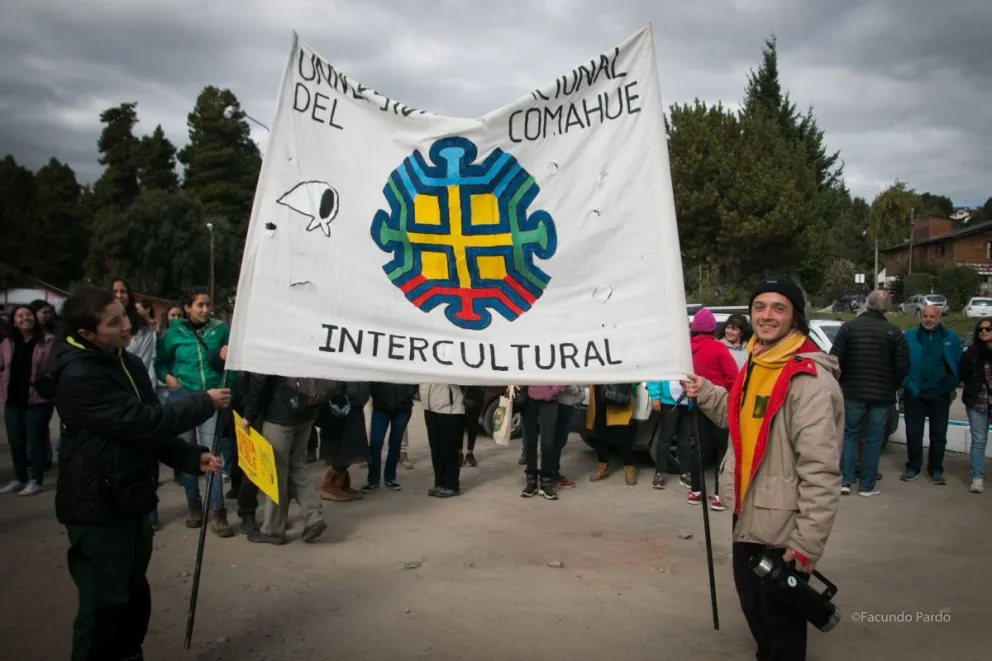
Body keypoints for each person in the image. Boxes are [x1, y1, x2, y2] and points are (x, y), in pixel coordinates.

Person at [51, 285, 230, 661]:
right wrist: (203, 402)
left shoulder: (125, 362)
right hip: (96, 503)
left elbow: (152, 432)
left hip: (129, 495)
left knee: (132, 597)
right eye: (113, 322)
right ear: (86, 333)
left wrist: (190, 457)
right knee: (103, 607)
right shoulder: (79, 375)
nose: (126, 327)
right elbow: (140, 421)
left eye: (124, 315)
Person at [684, 276, 843, 661]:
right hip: (748, 509)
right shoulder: (756, 361)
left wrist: (807, 542)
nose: (766, 316)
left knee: (781, 623)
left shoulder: (808, 379)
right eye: (759, 307)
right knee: (753, 603)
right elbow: (736, 418)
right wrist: (704, 391)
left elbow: (821, 471)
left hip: (784, 522)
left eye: (778, 308)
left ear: (796, 317)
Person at [154, 286, 233, 536]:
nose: (205, 309)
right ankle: (193, 505)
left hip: (212, 398)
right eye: (200, 305)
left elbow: (231, 362)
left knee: (212, 454)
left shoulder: (220, 329)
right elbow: (161, 362)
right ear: (187, 308)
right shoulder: (172, 334)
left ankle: (218, 511)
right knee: (187, 454)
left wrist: (227, 357)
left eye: (208, 304)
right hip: (184, 397)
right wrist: (167, 376)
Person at [829, 289, 909, 497]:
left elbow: (835, 359)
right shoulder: (894, 331)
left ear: (867, 304)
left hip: (853, 391)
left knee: (849, 435)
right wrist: (892, 386)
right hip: (882, 395)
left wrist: (842, 382)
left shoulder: (849, 328)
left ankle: (845, 481)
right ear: (887, 307)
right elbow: (902, 366)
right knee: (874, 439)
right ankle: (867, 485)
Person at [239, 373, 330, 544]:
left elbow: (260, 380)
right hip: (306, 411)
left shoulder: (270, 346)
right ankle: (313, 517)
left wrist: (249, 415)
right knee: (298, 466)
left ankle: (273, 530)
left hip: (278, 415)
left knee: (276, 473)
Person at [900, 304, 962, 485]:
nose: (928, 320)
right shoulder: (910, 336)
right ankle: (913, 466)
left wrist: (948, 386)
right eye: (925, 316)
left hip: (940, 394)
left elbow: (958, 364)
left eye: (932, 317)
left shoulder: (950, 337)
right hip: (915, 393)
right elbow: (901, 362)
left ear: (939, 318)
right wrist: (907, 384)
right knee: (913, 433)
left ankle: (936, 469)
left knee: (938, 435)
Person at [685, 307, 739, 509]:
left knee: (699, 447)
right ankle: (719, 495)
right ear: (713, 329)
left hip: (697, 404)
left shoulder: (686, 351)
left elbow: (683, 380)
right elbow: (733, 378)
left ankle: (695, 491)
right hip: (719, 404)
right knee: (723, 450)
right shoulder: (718, 349)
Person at [0, 305, 55, 496]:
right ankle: (19, 478)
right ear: (14, 322)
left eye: (29, 315)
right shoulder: (7, 343)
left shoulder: (48, 341)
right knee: (16, 442)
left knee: (35, 441)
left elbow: (56, 367)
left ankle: (35, 480)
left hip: (38, 400)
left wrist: (48, 380)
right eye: (20, 316)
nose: (25, 318)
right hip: (13, 399)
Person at [317, 382, 370, 502]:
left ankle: (341, 484)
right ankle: (329, 484)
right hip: (342, 407)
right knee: (344, 450)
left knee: (355, 449)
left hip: (355, 407)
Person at [365, 382, 418, 492]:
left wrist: (408, 394)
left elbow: (413, 380)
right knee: (375, 443)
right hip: (381, 406)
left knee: (395, 443)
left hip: (403, 407)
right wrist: (377, 393)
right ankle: (373, 480)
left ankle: (390, 478)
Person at [959, 317, 991, 494]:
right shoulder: (971, 353)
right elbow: (963, 374)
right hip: (977, 402)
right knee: (979, 440)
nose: (984, 332)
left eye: (988, 329)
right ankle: (977, 477)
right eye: (980, 330)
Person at [419, 384, 466, 497]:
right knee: (435, 447)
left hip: (449, 408)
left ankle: (451, 485)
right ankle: (439, 482)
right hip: (429, 406)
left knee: (449, 447)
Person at [520, 385, 566, 500]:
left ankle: (546, 483)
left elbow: (565, 373)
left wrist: (553, 391)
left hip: (550, 401)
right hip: (528, 400)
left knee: (548, 444)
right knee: (529, 443)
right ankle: (531, 481)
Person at [586, 384, 636, 484]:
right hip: (599, 392)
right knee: (601, 433)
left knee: (624, 434)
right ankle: (602, 468)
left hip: (618, 391)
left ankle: (629, 468)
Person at [551, 385, 583, 489]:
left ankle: (553, 473)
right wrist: (577, 391)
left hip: (566, 402)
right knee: (558, 441)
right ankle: (553, 477)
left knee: (558, 441)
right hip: (564, 403)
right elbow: (565, 381)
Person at [461, 386, 485, 467]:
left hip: (476, 391)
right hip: (459, 390)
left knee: (473, 423)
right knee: (458, 423)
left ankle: (470, 453)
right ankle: (459, 453)